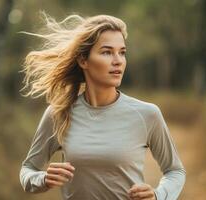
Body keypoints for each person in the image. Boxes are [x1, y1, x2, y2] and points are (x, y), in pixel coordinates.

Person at [19, 13, 186, 200]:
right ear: (83, 60)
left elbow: (175, 171)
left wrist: (158, 195)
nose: (118, 61)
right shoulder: (59, 113)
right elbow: (28, 170)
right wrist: (43, 179)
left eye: (122, 52)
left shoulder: (147, 114)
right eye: (107, 52)